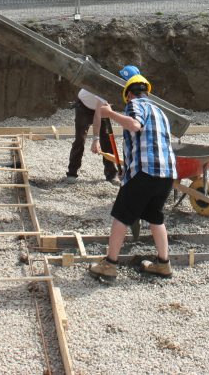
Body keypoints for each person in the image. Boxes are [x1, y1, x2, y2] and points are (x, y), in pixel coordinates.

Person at [88, 73, 177, 281]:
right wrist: (127, 170)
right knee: (155, 217)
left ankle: (110, 264)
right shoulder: (160, 111)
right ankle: (164, 264)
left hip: (145, 172)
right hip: (166, 174)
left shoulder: (135, 105)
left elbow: (135, 125)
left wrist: (110, 114)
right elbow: (148, 141)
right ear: (147, 91)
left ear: (128, 95)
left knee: (121, 215)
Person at [65, 65, 141, 183]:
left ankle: (111, 174)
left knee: (107, 140)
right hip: (84, 107)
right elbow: (98, 114)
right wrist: (95, 139)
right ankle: (72, 173)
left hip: (100, 107)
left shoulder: (123, 90)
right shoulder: (106, 87)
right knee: (80, 139)